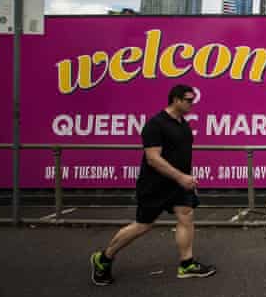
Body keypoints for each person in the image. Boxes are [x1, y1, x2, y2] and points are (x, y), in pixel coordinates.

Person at [90, 84, 216, 285]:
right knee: (143, 225)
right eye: (188, 100)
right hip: (155, 185)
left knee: (186, 214)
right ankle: (104, 257)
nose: (192, 103)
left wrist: (187, 178)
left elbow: (180, 156)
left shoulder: (182, 123)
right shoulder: (155, 125)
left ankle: (187, 264)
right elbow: (153, 159)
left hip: (178, 184)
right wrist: (180, 177)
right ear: (176, 100)